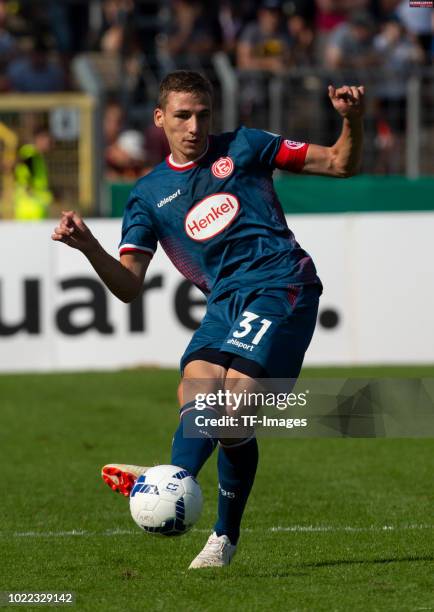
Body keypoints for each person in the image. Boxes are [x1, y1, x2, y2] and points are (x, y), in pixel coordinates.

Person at [52, 70, 364, 568]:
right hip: (224, 304)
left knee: (233, 405)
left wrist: (353, 121)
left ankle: (218, 530)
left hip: (282, 284)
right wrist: (89, 246)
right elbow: (129, 286)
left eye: (202, 115)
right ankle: (174, 476)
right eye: (181, 116)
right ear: (160, 119)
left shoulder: (246, 145)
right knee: (197, 392)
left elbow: (340, 163)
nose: (194, 126)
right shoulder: (148, 195)